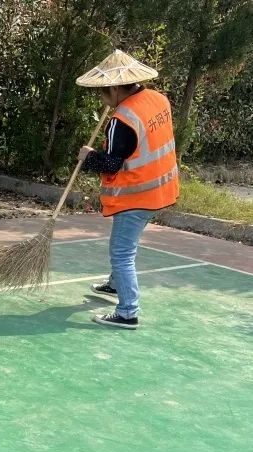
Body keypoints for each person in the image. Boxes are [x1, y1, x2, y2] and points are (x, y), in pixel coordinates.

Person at [76, 50, 180, 329]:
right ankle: (114, 284)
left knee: (122, 252)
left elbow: (110, 164)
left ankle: (127, 312)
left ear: (113, 88)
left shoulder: (121, 120)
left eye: (102, 93)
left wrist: (88, 157)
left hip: (136, 195)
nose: (101, 99)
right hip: (162, 188)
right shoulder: (158, 99)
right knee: (124, 244)